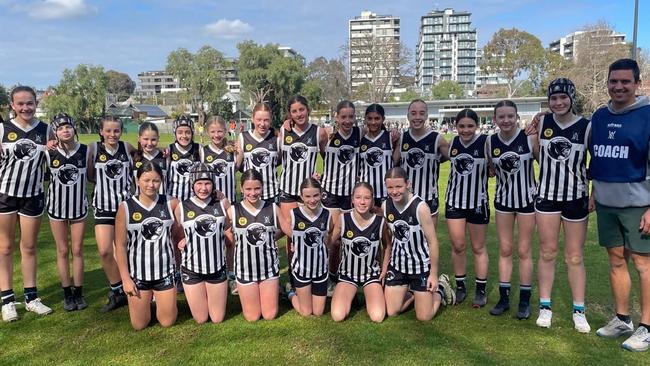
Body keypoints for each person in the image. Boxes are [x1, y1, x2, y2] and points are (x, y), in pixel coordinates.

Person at [590, 59, 650, 351]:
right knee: (616, 260)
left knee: (643, 264)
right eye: (614, 81)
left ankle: (647, 327)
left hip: (638, 203)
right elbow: (597, 158)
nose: (619, 86)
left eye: (625, 81)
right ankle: (622, 318)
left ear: (637, 84)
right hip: (605, 202)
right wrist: (593, 190)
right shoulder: (599, 117)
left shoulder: (647, 115)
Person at [534, 78, 591, 333]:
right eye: (553, 98)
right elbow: (536, 154)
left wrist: (594, 192)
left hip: (576, 197)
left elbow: (597, 162)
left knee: (575, 256)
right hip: (546, 196)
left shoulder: (586, 126)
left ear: (571, 98)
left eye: (563, 98)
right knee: (547, 252)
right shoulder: (542, 122)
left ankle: (579, 310)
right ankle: (544, 306)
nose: (558, 102)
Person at [0, 86, 53, 321]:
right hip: (5, 194)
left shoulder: (45, 129)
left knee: (29, 247)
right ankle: (8, 301)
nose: (25, 108)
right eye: (20, 104)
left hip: (33, 196)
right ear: (12, 105)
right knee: (5, 248)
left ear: (36, 103)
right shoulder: (2, 129)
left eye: (30, 103)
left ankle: (31, 298)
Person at [486, 101, 537, 319]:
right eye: (501, 117)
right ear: (495, 119)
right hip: (503, 201)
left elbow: (545, 161)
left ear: (516, 117)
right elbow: (491, 170)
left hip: (527, 201)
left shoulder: (529, 137)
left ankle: (524, 301)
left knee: (524, 251)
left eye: (510, 116)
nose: (506, 120)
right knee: (505, 250)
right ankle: (504, 298)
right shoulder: (490, 141)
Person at [383, 167, 454, 321]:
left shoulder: (420, 208)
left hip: (420, 267)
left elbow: (433, 242)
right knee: (392, 311)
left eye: (398, 186)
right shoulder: (385, 206)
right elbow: (389, 237)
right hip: (398, 266)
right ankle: (415, 293)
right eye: (390, 187)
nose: (394, 191)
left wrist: (433, 274)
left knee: (424, 317)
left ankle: (441, 287)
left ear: (408, 184)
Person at [114, 162, 179, 330]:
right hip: (138, 275)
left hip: (164, 272)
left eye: (156, 181)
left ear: (161, 181)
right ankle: (146, 299)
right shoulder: (126, 208)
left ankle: (161, 296)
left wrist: (218, 195)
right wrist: (126, 279)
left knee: (167, 322)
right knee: (139, 325)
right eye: (146, 180)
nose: (151, 185)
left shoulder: (171, 203)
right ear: (137, 180)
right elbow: (120, 246)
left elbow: (179, 231)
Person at [278, 96, 327, 290]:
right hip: (288, 191)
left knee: (314, 232)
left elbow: (328, 158)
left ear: (308, 109)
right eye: (294, 111)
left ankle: (316, 272)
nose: (299, 114)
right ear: (290, 114)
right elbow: (279, 159)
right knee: (292, 234)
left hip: (309, 193)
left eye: (302, 110)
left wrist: (321, 176)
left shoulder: (319, 133)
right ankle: (294, 276)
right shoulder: (284, 130)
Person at [87, 116, 134, 312]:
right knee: (105, 251)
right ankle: (117, 290)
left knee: (124, 249)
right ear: (101, 131)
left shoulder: (128, 148)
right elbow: (90, 176)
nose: (112, 134)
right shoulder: (94, 148)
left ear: (121, 132)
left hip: (124, 207)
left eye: (116, 131)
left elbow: (142, 162)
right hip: (103, 206)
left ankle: (131, 286)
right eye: (108, 131)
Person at [444, 109, 490, 307]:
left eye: (470, 126)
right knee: (458, 246)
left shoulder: (485, 142)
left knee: (478, 247)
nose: (466, 130)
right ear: (456, 126)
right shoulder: (452, 143)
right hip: (454, 201)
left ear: (476, 126)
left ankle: (481, 289)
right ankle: (460, 286)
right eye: (461, 126)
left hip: (478, 202)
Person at [176, 163, 231, 324]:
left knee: (217, 318)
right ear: (192, 184)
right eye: (199, 183)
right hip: (192, 269)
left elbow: (231, 229)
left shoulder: (222, 203)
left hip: (217, 267)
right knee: (200, 319)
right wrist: (182, 239)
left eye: (207, 183)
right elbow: (175, 232)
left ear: (213, 184)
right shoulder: (182, 206)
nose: (203, 188)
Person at [46, 113, 89, 311]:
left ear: (74, 129)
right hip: (56, 209)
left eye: (68, 127)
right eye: (60, 127)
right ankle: (67, 294)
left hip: (79, 208)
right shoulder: (49, 153)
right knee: (63, 251)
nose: (65, 130)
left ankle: (79, 293)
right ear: (55, 131)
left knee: (78, 250)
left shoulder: (85, 151)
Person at [330, 182, 387, 323]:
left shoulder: (380, 222)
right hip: (348, 274)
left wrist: (384, 270)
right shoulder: (343, 219)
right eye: (358, 197)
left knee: (378, 316)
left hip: (371, 275)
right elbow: (329, 241)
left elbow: (388, 246)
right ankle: (351, 294)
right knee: (338, 316)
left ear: (372, 200)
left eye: (367, 198)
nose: (362, 202)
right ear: (352, 199)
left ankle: (366, 295)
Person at [230, 169, 282, 321]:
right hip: (245, 270)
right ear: (241, 188)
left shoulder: (272, 208)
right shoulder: (233, 210)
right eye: (248, 189)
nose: (253, 193)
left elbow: (288, 229)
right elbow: (219, 228)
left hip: (269, 269)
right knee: (252, 317)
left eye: (257, 188)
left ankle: (288, 292)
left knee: (269, 315)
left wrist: (271, 237)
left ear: (262, 187)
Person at [281, 178, 332, 316]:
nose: (312, 200)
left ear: (321, 194)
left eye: (316, 195)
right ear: (301, 196)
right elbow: (284, 231)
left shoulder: (327, 215)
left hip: (320, 270)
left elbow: (329, 237)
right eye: (307, 196)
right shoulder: (294, 215)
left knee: (318, 312)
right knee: (306, 312)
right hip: (301, 269)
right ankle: (290, 293)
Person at [394, 99, 449, 225]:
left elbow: (454, 157)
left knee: (429, 240)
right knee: (407, 240)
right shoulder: (402, 139)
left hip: (428, 197)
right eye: (413, 113)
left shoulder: (437, 139)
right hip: (405, 198)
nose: (417, 117)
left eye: (421, 113)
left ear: (426, 116)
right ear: (408, 116)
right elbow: (392, 163)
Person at [237, 103, 280, 203]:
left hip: (271, 195)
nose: (262, 124)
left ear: (271, 120)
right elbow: (236, 165)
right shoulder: (243, 137)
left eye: (266, 120)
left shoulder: (276, 138)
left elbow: (280, 161)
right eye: (259, 120)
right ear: (252, 118)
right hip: (250, 195)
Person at [359, 103, 394, 212]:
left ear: (383, 119)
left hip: (386, 193)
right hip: (366, 194)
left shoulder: (391, 137)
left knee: (387, 227)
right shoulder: (361, 140)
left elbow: (396, 162)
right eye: (369, 118)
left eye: (377, 118)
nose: (373, 122)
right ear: (365, 119)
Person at [202, 116, 237, 203]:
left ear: (225, 131)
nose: (216, 135)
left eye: (220, 131)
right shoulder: (202, 152)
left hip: (230, 202)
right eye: (212, 132)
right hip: (210, 202)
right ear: (207, 132)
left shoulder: (233, 150)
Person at [168, 115, 200, 202]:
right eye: (180, 132)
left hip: (194, 200)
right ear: (175, 133)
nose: (184, 135)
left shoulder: (199, 149)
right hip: (173, 198)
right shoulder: (169, 149)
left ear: (192, 133)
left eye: (187, 132)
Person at [132, 122, 167, 195]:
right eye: (145, 139)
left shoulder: (165, 156)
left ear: (158, 139)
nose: (150, 143)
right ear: (139, 138)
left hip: (161, 204)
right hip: (138, 204)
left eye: (153, 139)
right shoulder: (133, 156)